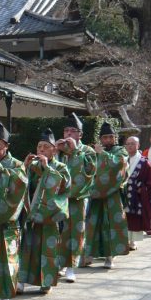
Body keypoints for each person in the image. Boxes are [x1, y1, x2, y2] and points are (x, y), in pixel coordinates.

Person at [17, 128, 70, 293]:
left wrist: (47, 170)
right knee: (27, 247)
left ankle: (46, 282)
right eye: (39, 146)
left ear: (54, 149)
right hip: (32, 213)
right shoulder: (33, 166)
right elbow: (22, 185)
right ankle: (21, 280)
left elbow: (64, 186)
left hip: (50, 215)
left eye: (45, 147)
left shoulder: (60, 167)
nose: (41, 150)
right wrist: (24, 167)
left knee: (48, 248)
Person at [0, 121, 28, 300]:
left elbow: (18, 188)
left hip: (7, 223)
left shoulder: (17, 165)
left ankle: (5, 298)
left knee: (7, 261)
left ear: (6, 146)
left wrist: (1, 169)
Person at [55, 113, 96, 283]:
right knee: (58, 231)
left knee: (75, 231)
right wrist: (55, 151)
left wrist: (76, 151)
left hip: (78, 197)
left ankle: (71, 266)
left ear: (80, 134)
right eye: (66, 131)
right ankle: (59, 263)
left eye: (73, 131)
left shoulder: (88, 151)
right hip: (58, 197)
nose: (69, 134)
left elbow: (90, 172)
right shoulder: (60, 149)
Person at [83, 121, 128, 269]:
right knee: (93, 224)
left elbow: (118, 164)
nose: (108, 140)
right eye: (105, 137)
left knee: (111, 225)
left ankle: (110, 257)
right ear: (100, 139)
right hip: (95, 194)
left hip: (113, 194)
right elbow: (87, 168)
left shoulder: (121, 151)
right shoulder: (93, 151)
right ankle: (89, 255)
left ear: (115, 138)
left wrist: (102, 154)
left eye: (111, 137)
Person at [124, 136, 151, 250]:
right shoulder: (122, 159)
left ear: (138, 146)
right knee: (125, 217)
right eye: (128, 144)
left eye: (132, 143)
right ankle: (124, 240)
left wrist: (142, 189)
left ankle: (133, 241)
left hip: (137, 195)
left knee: (135, 218)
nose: (130, 146)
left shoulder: (144, 162)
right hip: (124, 194)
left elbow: (150, 181)